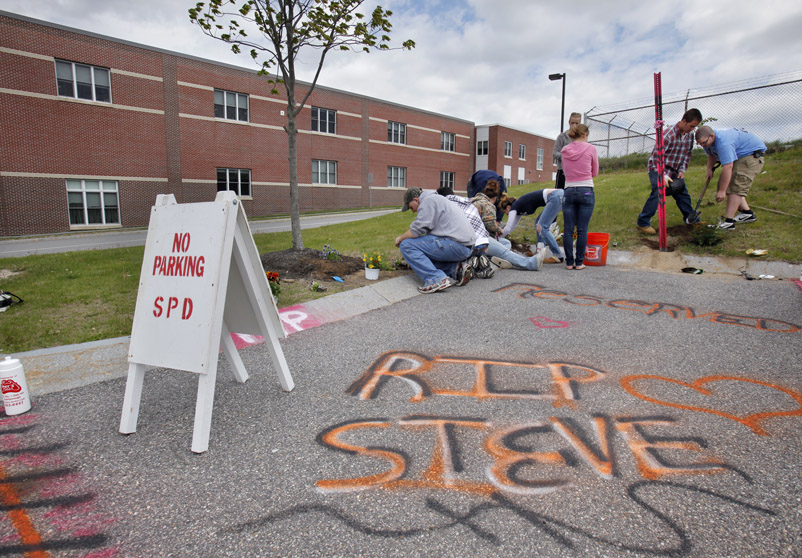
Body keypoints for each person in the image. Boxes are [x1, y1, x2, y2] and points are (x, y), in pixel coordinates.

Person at [395, 187, 476, 293]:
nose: (413, 211)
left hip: (456, 244)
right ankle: (457, 270)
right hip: (465, 246)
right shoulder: (437, 199)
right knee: (423, 251)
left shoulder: (428, 201)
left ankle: (436, 279)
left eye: (411, 207)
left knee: (406, 245)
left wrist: (400, 239)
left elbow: (416, 230)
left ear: (415, 200)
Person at [636, 108, 703, 234]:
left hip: (675, 170)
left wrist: (682, 170)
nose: (692, 129)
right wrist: (663, 176)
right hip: (658, 168)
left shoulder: (689, 136)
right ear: (683, 121)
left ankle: (692, 221)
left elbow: (687, 155)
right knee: (658, 191)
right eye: (691, 126)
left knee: (683, 193)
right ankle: (643, 223)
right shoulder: (668, 135)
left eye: (695, 127)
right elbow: (656, 158)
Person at [695, 126, 766, 230]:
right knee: (726, 184)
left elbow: (728, 167)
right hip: (739, 156)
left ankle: (729, 222)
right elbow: (711, 155)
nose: (702, 145)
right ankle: (747, 214)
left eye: (704, 143)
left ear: (712, 136)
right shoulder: (708, 141)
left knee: (736, 186)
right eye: (699, 144)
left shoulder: (724, 143)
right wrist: (709, 169)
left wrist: (722, 191)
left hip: (751, 156)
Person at [472, 182, 545, 271]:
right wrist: (499, 230)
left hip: (471, 237)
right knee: (504, 251)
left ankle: (491, 260)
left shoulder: (472, 201)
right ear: (495, 199)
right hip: (479, 239)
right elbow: (490, 225)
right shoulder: (487, 204)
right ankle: (531, 263)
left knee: (506, 243)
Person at [561, 123, 598, 270]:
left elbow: (564, 170)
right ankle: (579, 262)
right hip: (586, 189)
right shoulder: (591, 148)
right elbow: (594, 172)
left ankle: (569, 263)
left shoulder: (565, 150)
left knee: (568, 229)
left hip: (569, 189)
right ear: (584, 135)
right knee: (582, 229)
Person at [436, 186, 495, 278]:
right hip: (484, 241)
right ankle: (483, 264)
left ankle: (470, 262)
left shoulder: (446, 205)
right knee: (478, 252)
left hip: (470, 244)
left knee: (451, 248)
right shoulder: (467, 202)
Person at [501, 188, 565, 262]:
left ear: (508, 207)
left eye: (505, 211)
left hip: (555, 196)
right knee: (538, 223)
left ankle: (558, 255)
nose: (506, 214)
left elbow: (508, 228)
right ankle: (540, 252)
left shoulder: (514, 207)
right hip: (557, 195)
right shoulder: (519, 208)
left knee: (542, 227)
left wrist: (498, 238)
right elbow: (512, 228)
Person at [553, 112, 582, 189]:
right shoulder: (562, 137)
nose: (574, 125)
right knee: (559, 195)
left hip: (576, 172)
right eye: (572, 123)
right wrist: (567, 157)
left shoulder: (582, 138)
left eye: (577, 123)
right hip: (563, 172)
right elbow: (555, 153)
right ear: (569, 123)